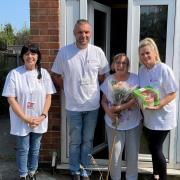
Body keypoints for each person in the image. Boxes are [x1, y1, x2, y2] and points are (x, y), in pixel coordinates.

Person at [51, 19, 109, 180]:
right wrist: (67, 88)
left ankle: (85, 169)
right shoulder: (64, 52)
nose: (83, 35)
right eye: (80, 32)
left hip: (92, 105)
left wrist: (94, 89)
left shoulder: (97, 52)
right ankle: (74, 169)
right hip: (73, 106)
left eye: (86, 32)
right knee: (75, 140)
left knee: (88, 139)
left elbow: (103, 76)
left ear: (90, 33)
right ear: (74, 33)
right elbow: (55, 74)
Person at [2, 44, 56, 180]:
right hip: (21, 119)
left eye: (33, 53)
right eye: (27, 54)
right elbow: (11, 98)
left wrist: (42, 116)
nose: (30, 56)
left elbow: (49, 96)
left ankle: (32, 171)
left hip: (39, 119)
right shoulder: (14, 74)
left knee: (35, 148)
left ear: (38, 56)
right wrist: (25, 118)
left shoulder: (44, 74)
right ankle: (23, 174)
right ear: (22, 57)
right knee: (23, 148)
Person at [138, 37, 178, 180]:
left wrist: (159, 104)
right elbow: (142, 90)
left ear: (155, 53)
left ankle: (163, 177)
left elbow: (173, 92)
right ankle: (156, 175)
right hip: (149, 115)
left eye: (148, 53)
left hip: (163, 116)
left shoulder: (163, 69)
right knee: (152, 147)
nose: (145, 56)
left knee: (156, 148)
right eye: (142, 54)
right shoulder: (141, 70)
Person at [101, 53, 142, 180]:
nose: (120, 65)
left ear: (128, 66)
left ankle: (131, 178)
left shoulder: (135, 79)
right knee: (115, 155)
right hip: (114, 123)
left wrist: (119, 107)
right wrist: (109, 112)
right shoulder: (109, 80)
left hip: (133, 123)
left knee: (132, 155)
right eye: (118, 62)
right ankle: (115, 178)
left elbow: (136, 101)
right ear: (113, 65)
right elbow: (103, 101)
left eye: (124, 63)